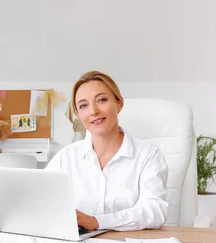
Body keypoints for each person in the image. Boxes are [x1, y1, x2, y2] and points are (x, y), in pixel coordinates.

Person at [45, 71, 169, 231]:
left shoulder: (148, 154)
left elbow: (155, 211)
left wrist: (98, 222)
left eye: (102, 100)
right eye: (83, 106)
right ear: (78, 114)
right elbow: (41, 201)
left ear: (119, 103)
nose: (93, 111)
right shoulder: (66, 157)